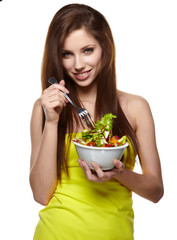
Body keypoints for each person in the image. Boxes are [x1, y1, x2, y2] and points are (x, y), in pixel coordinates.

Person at [29, 4, 164, 240]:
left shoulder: (135, 107)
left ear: (105, 48)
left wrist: (118, 173)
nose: (78, 64)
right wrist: (52, 122)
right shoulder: (44, 109)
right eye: (66, 54)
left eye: (88, 50)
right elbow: (41, 195)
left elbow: (155, 191)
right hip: (54, 233)